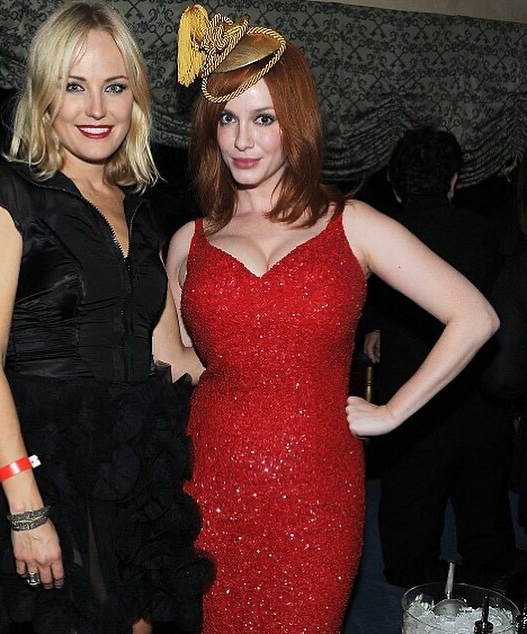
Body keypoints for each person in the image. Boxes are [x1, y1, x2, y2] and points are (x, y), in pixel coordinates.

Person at [167, 6, 500, 633]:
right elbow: (178, 365)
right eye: (228, 118)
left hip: (317, 492)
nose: (242, 140)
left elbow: (474, 315)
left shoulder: (352, 224)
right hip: (209, 484)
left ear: (294, 124)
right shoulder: (190, 242)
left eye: (264, 118)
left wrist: (392, 412)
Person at [0, 2, 213, 633]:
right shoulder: (6, 198)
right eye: (75, 86)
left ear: (136, 99)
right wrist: (25, 508)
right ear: (44, 95)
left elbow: (170, 355)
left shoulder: (140, 211)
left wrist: (272, 365)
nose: (97, 108)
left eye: (114, 87)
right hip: (46, 471)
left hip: (133, 465)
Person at [363, 127, 518, 591]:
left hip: (412, 408)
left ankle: (430, 591)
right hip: (480, 404)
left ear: (395, 186)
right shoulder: (493, 236)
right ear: (453, 181)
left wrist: (373, 330)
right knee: (489, 540)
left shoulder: (377, 237)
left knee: (406, 556)